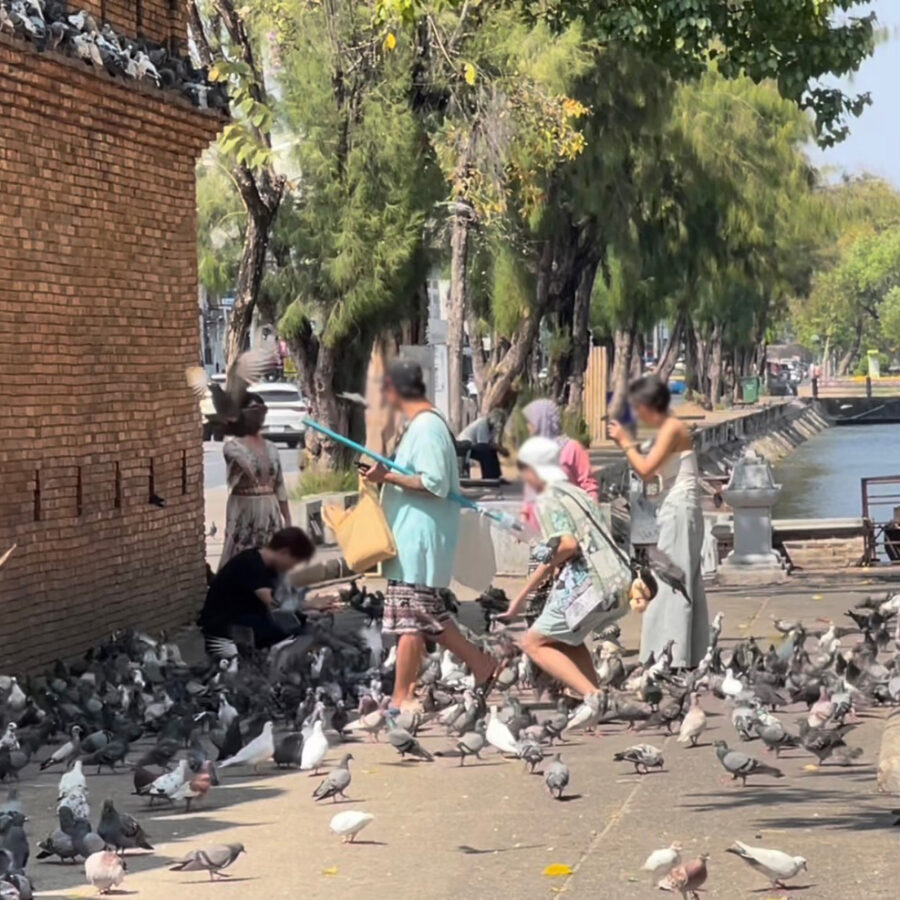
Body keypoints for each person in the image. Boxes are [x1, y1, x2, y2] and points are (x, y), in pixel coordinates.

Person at [363, 360, 497, 710]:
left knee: (411, 621)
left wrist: (386, 477)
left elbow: (434, 483)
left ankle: (401, 697)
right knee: (428, 618)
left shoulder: (426, 428)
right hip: (413, 540)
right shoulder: (422, 425)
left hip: (418, 541)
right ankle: (482, 665)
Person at [499, 437, 643, 706]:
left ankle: (593, 697)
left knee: (532, 643)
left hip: (590, 585)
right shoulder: (575, 492)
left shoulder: (547, 499)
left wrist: (522, 595)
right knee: (568, 639)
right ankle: (598, 699)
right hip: (619, 580)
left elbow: (567, 545)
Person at [608, 375, 710, 668]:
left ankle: (670, 656)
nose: (637, 415)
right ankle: (685, 653)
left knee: (670, 581)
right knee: (680, 578)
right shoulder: (668, 429)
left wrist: (625, 443)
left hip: (679, 510)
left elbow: (645, 470)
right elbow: (653, 475)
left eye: (638, 408)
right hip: (676, 508)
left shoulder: (671, 428)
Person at [199, 526, 335, 651]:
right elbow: (273, 603)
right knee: (295, 638)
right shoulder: (251, 564)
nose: (291, 568)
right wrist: (310, 604)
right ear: (284, 552)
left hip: (248, 619)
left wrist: (308, 612)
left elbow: (282, 601)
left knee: (302, 627)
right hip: (225, 627)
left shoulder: (270, 566)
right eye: (292, 563)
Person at [219, 392, 291, 570]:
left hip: (269, 510)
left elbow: (279, 485)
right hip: (244, 510)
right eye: (253, 411)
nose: (258, 416)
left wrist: (287, 518)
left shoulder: (272, 448)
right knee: (241, 560)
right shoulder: (232, 447)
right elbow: (250, 468)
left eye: (262, 411)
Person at [457, 409, 508, 479]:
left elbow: (491, 443)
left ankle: (496, 476)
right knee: (486, 451)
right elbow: (483, 444)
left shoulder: (492, 428)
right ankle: (488, 477)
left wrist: (499, 449)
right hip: (464, 446)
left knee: (492, 451)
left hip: (474, 446)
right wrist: (500, 449)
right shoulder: (482, 423)